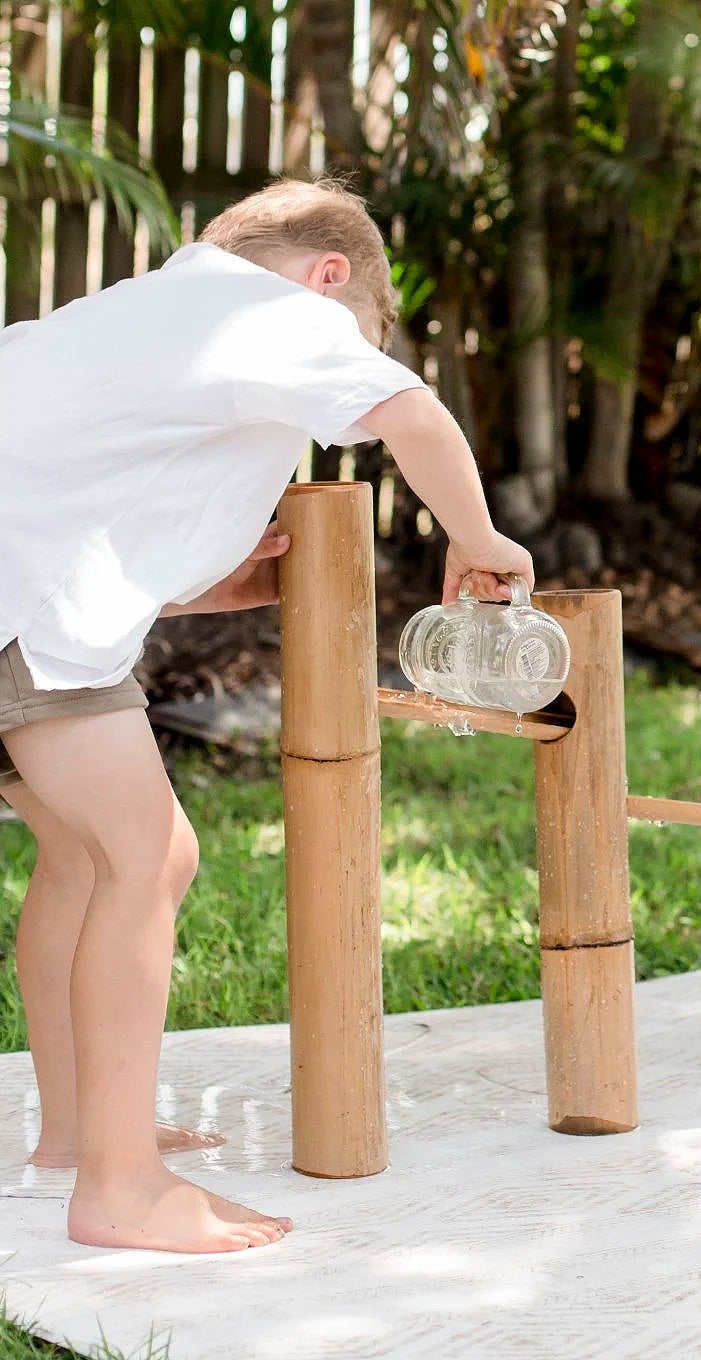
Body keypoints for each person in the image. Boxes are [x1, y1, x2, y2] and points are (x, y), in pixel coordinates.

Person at [0, 178, 532, 1253]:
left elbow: (77, 488)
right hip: (24, 615)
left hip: (21, 596)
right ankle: (118, 1187)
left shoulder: (132, 316)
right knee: (144, 860)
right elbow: (413, 415)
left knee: (84, 850)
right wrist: (480, 539)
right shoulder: (269, 310)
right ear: (326, 275)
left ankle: (74, 1133)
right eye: (364, 336)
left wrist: (196, 589)